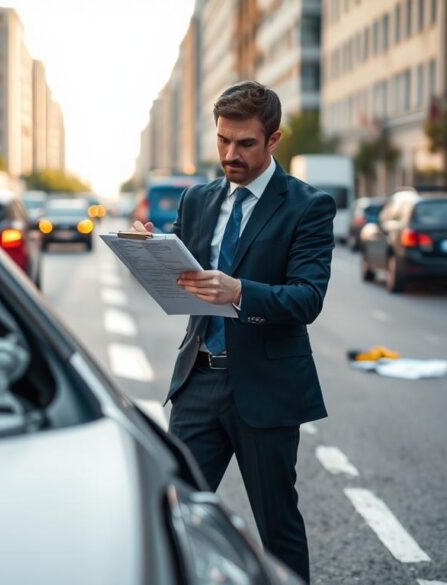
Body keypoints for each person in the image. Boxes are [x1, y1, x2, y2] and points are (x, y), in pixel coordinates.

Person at [132, 80, 335, 583]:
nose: (230, 154)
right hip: (198, 381)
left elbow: (306, 298)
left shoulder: (308, 207)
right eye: (223, 140)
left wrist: (240, 290)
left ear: (273, 140)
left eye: (245, 143)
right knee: (176, 512)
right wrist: (149, 249)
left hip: (266, 389)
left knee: (277, 524)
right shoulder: (198, 200)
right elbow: (182, 270)